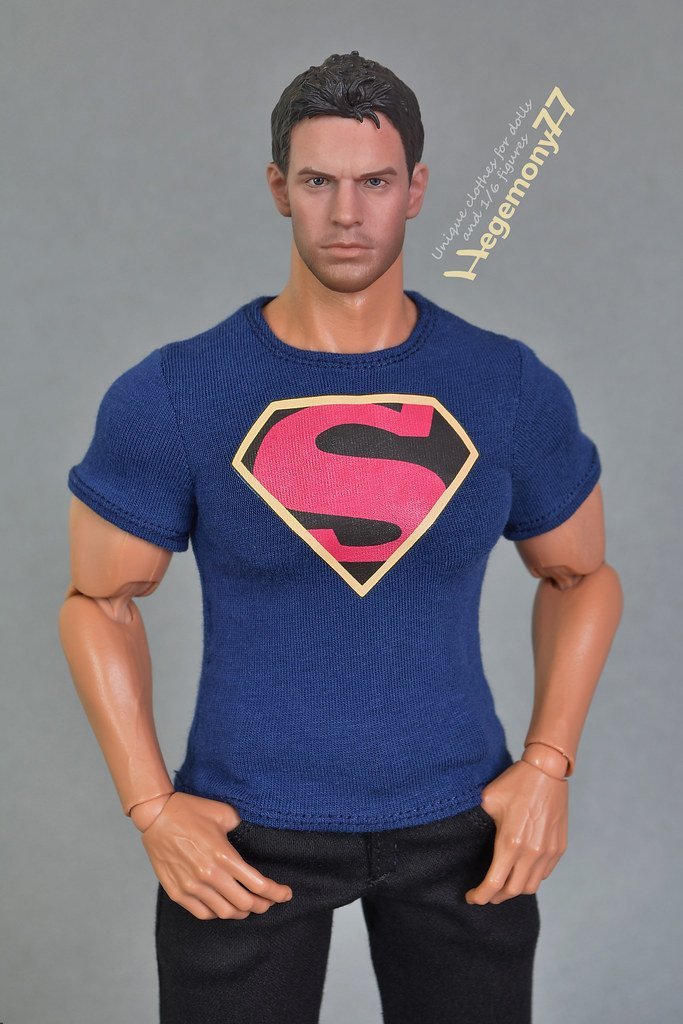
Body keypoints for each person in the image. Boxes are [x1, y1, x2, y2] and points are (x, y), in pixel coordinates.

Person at [59, 50, 623, 1024]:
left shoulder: (503, 386)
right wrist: (152, 807)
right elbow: (96, 601)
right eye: (318, 181)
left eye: (375, 182)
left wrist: (547, 766)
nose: (347, 214)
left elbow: (581, 575)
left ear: (416, 190)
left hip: (463, 824)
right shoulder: (178, 394)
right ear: (279, 187)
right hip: (242, 832)